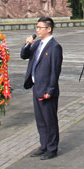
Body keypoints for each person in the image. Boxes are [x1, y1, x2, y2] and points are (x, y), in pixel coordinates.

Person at [21, 17, 63, 160]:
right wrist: (27, 44)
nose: (37, 30)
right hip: (36, 87)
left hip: (46, 90)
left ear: (49, 29)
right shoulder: (38, 44)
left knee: (49, 120)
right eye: (37, 27)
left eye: (40, 27)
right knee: (40, 120)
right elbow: (24, 55)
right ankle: (43, 145)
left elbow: (55, 71)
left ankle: (52, 148)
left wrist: (50, 90)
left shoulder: (55, 47)